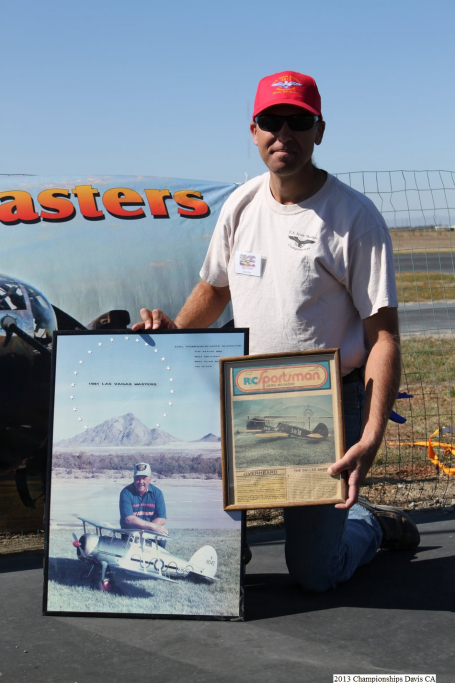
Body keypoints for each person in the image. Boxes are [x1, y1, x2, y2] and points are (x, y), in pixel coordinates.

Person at [132, 70, 419, 592]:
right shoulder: (241, 206)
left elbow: (383, 338)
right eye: (271, 121)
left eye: (298, 122)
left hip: (327, 404)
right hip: (244, 404)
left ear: (319, 130)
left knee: (316, 573)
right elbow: (214, 289)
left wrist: (371, 435)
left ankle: (368, 525)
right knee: (221, 560)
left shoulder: (355, 219)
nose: (283, 133)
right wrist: (172, 332)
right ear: (254, 130)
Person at [119, 462, 168, 540]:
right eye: (138, 478)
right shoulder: (126, 493)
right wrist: (153, 526)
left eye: (144, 478)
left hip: (150, 533)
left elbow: (162, 518)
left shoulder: (157, 493)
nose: (141, 481)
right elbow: (129, 519)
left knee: (163, 536)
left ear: (150, 479)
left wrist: (146, 531)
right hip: (130, 535)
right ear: (134, 478)